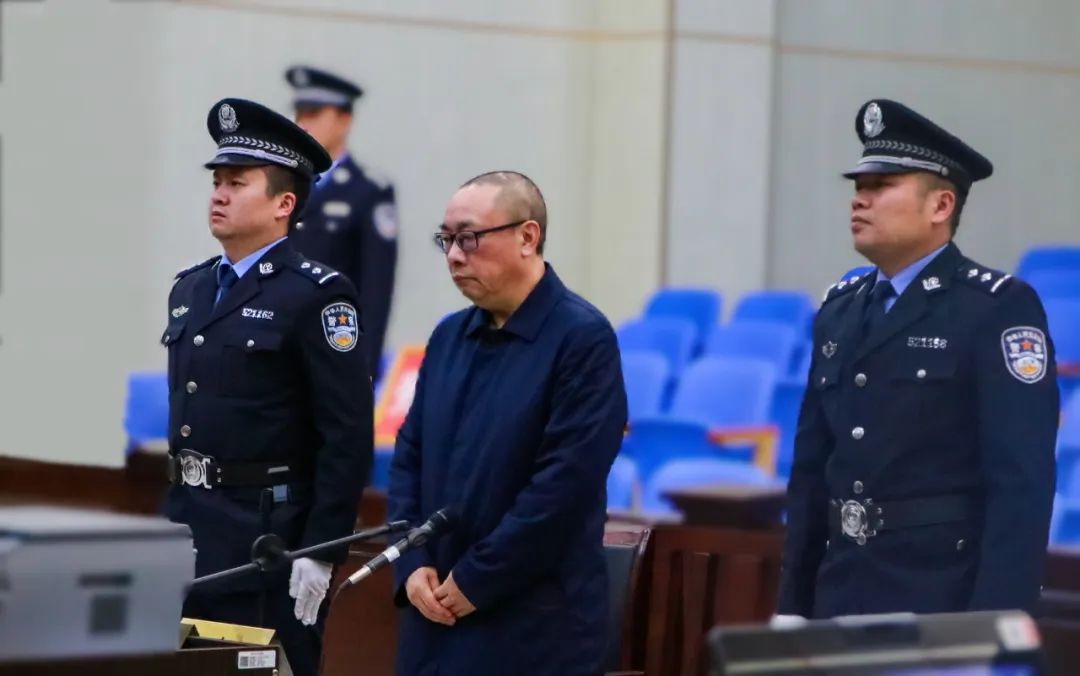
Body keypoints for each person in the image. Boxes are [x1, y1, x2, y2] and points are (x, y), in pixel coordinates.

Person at [778, 99, 1059, 619]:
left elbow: (1021, 485)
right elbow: (812, 472)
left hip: (939, 598)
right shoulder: (840, 309)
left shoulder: (994, 308)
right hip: (840, 590)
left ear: (940, 206)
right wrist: (793, 605)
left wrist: (993, 626)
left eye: (881, 186)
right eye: (858, 188)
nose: (860, 201)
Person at [162, 98, 373, 676]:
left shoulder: (316, 295)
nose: (219, 194)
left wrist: (321, 550)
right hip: (187, 525)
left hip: (266, 539)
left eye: (237, 183)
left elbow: (347, 433)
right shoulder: (190, 289)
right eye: (217, 182)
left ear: (284, 204)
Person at [386, 171, 627, 675]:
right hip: (434, 618)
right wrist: (411, 561)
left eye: (469, 238)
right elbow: (409, 458)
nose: (454, 256)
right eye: (446, 240)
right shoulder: (449, 336)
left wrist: (478, 577)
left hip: (533, 626)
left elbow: (564, 487)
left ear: (527, 237)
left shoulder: (582, 339)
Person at [286, 65, 397, 378]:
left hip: (334, 350)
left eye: (314, 113)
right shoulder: (283, 185)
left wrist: (364, 368)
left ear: (344, 120)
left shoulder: (367, 191)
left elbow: (376, 288)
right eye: (300, 113)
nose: (303, 123)